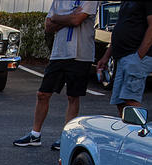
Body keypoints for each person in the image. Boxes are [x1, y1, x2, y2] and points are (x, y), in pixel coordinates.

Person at [14, 1, 99, 151]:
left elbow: (76, 20)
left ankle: (66, 137)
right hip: (59, 53)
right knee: (43, 94)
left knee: (73, 96)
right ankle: (35, 135)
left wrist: (59, 18)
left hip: (80, 55)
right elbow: (49, 26)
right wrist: (70, 16)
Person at [96, 1, 152, 116]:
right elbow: (119, 28)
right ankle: (128, 131)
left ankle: (140, 132)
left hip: (135, 56)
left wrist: (139, 55)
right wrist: (106, 57)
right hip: (121, 57)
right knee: (120, 102)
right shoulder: (125, 2)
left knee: (131, 101)